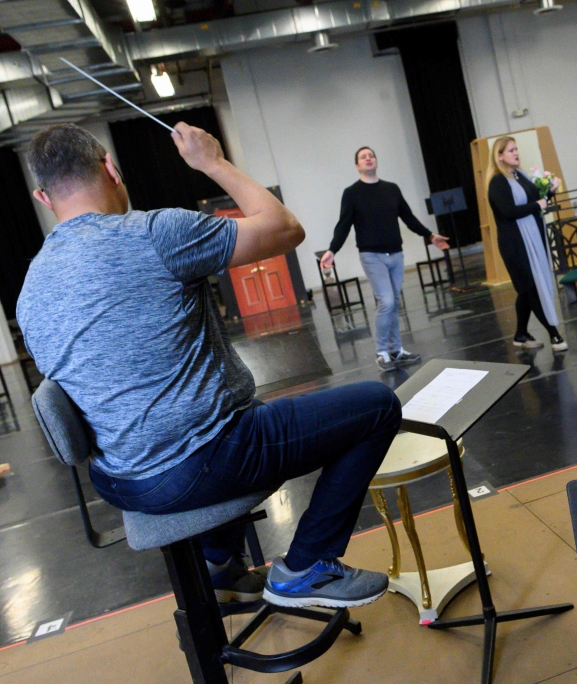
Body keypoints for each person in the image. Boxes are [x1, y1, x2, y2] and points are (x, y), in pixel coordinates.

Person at [17, 123, 400, 609]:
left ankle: (219, 560)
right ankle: (306, 567)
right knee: (377, 406)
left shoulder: (30, 289)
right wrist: (212, 163)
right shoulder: (156, 233)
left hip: (121, 482)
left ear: (43, 197)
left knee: (233, 404)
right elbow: (285, 229)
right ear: (111, 168)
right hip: (198, 463)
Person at [320, 147, 450, 371]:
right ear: (357, 166)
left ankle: (396, 350)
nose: (368, 159)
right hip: (372, 256)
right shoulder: (352, 193)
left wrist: (430, 235)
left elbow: (408, 217)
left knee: (395, 303)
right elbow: (344, 224)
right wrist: (333, 250)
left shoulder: (391, 189)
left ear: (376, 161)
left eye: (371, 155)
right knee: (387, 302)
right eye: (363, 157)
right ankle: (382, 352)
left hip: (396, 254)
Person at [486, 137, 568, 352]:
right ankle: (554, 335)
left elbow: (537, 202)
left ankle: (520, 334)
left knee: (525, 290)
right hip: (515, 244)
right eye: (511, 150)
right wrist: (538, 204)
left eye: (516, 149)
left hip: (531, 238)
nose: (516, 153)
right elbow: (509, 211)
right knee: (531, 288)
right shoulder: (497, 182)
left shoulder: (520, 175)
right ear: (500, 156)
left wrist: (550, 192)